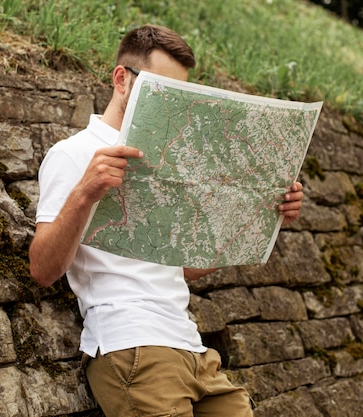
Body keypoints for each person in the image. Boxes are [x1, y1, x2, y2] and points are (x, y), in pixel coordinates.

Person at [29, 25, 305, 417]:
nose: (169, 105)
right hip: (133, 346)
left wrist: (265, 213)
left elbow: (184, 269)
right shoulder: (73, 155)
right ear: (121, 79)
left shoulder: (170, 159)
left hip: (193, 349)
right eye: (158, 89)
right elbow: (42, 268)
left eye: (178, 96)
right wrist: (85, 193)